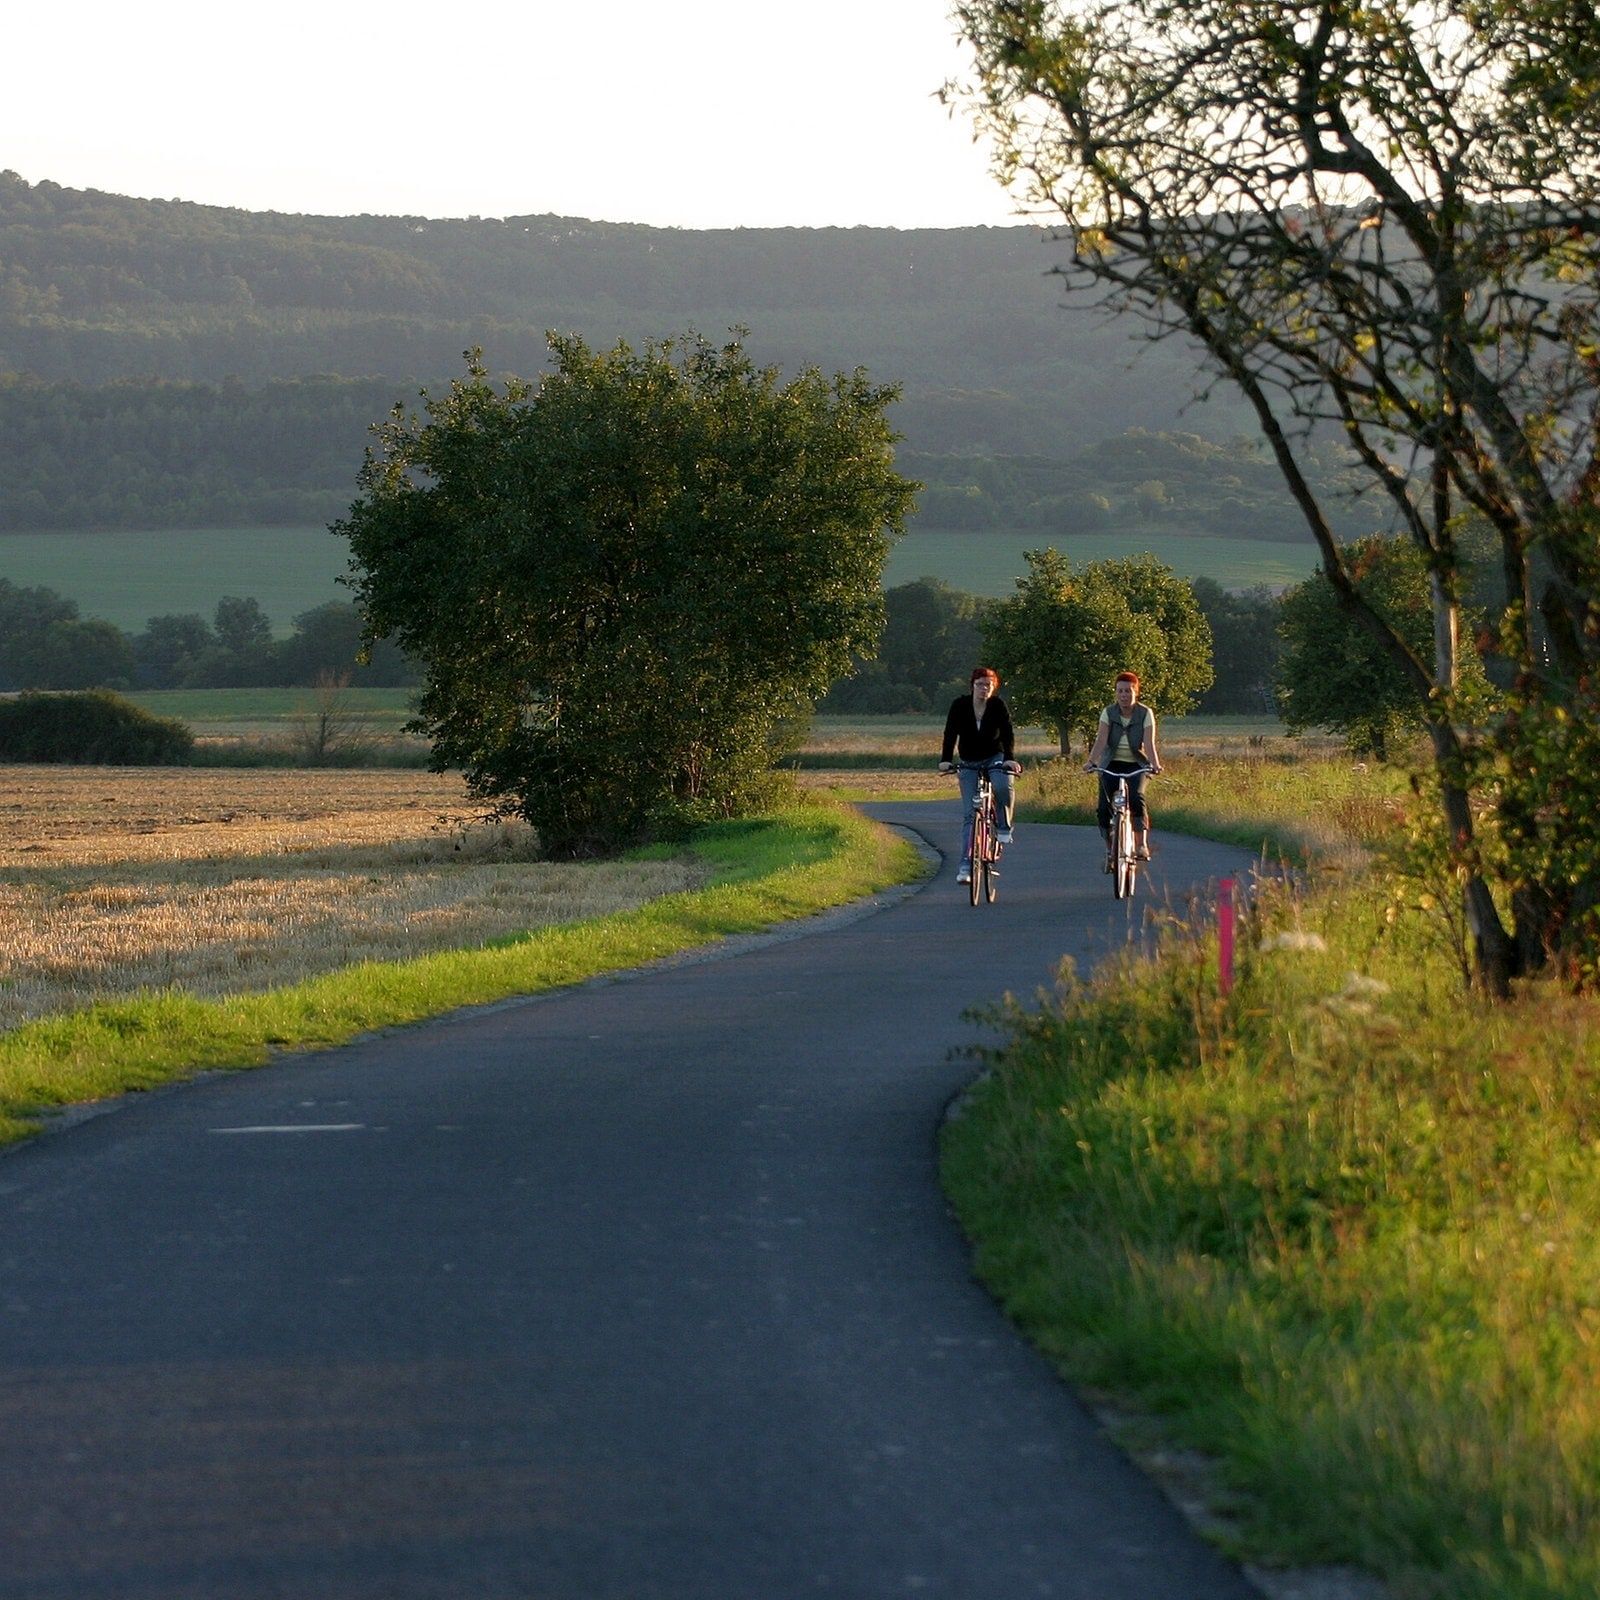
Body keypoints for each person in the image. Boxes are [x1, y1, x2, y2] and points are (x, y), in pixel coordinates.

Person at [938, 667, 1022, 885]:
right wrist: (945, 759)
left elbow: (1007, 732)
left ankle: (1003, 826)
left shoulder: (997, 706)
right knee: (969, 815)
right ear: (972, 686)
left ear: (993, 688)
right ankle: (966, 865)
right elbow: (950, 733)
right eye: (980, 684)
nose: (984, 688)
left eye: (988, 685)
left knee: (1003, 785)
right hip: (969, 761)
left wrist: (1010, 759)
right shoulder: (959, 706)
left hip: (995, 756)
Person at [1082, 670, 1163, 866]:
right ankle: (1110, 848)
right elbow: (1101, 740)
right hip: (1111, 764)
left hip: (1136, 764)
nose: (1124, 695)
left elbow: (1149, 743)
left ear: (1136, 692)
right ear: (1116, 693)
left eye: (1128, 691)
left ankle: (1141, 844)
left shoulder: (1145, 713)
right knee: (1103, 807)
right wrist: (1092, 761)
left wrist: (1154, 764)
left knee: (1136, 796)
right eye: (1120, 691)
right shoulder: (1108, 713)